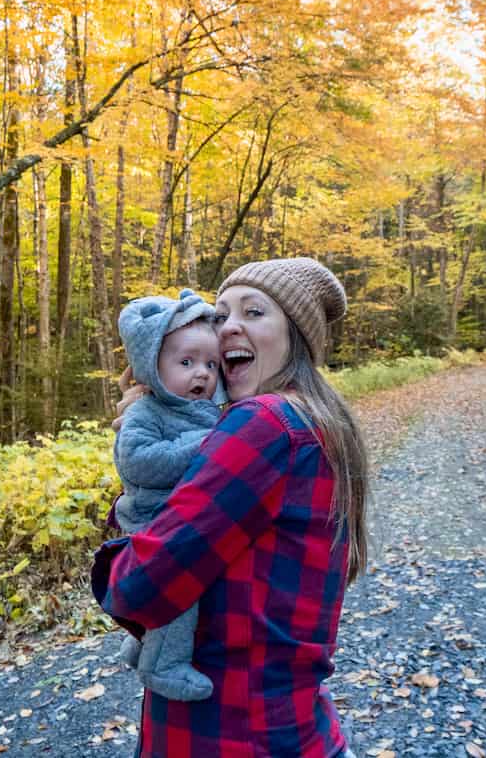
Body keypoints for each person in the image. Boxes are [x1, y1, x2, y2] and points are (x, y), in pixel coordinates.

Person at [92, 257, 369, 757]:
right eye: (220, 316)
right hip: (295, 726)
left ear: (296, 339)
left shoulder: (261, 424)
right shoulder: (317, 422)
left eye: (254, 312)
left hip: (225, 734)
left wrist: (132, 514)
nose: (229, 327)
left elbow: (136, 588)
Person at [112, 288, 226, 701]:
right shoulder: (146, 411)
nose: (202, 374)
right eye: (186, 362)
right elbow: (138, 462)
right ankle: (163, 666)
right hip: (150, 517)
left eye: (211, 364)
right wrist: (204, 444)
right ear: (153, 367)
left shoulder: (201, 406)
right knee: (182, 588)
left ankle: (142, 642)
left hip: (179, 513)